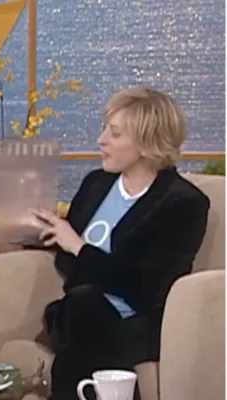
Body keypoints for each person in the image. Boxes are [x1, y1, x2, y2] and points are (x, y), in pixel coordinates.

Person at [32, 87, 210, 400]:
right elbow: (66, 260)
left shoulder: (183, 203)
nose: (101, 140)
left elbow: (152, 288)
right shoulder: (96, 184)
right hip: (79, 312)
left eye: (115, 134)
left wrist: (80, 248)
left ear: (147, 143)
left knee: (84, 307)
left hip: (137, 322)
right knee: (83, 305)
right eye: (105, 129)